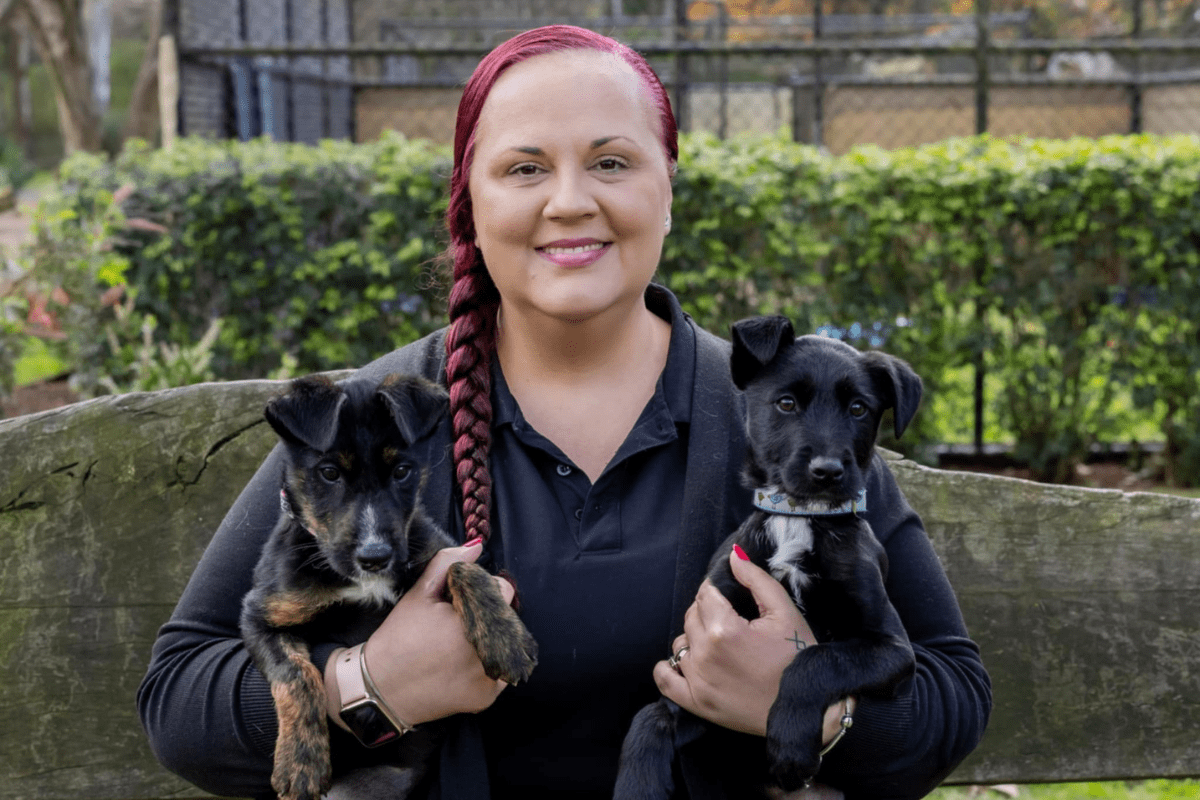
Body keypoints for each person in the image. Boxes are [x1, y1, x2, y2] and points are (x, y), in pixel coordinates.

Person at [137, 24, 990, 800]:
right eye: (525, 167)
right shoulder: (382, 424)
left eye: (612, 162)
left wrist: (809, 707)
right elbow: (179, 698)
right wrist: (365, 684)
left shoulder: (780, 422)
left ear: (669, 187)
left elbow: (952, 694)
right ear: (470, 200)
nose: (571, 200)